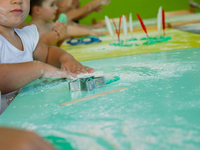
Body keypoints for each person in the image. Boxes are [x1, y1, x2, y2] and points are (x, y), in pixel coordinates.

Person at [0, 0, 95, 95]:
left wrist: (67, 60)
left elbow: (48, 53)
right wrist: (39, 68)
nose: (18, 0)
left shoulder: (26, 36)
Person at [29, 0, 103, 46]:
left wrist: (90, 32)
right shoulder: (31, 29)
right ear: (37, 10)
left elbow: (67, 29)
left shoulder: (48, 24)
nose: (56, 8)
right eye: (52, 5)